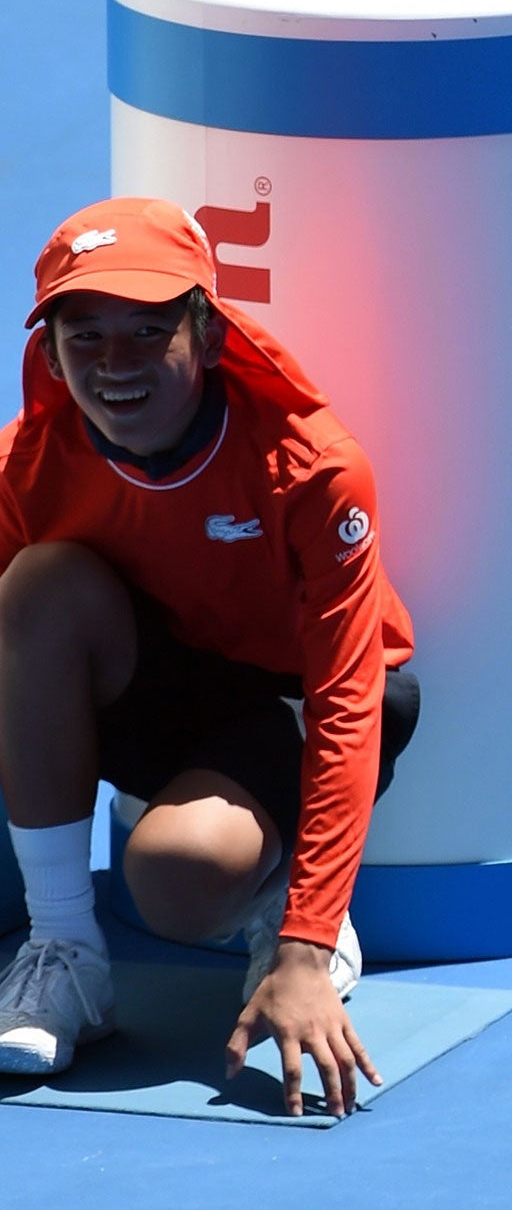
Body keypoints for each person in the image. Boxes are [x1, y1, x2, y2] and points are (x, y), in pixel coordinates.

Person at [0, 197, 418, 1117]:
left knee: (177, 883)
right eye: (88, 337)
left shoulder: (312, 468)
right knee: (36, 587)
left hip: (293, 711)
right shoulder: (30, 462)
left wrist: (306, 944)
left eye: (150, 334)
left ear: (212, 337)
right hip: (161, 695)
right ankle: (65, 947)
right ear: (50, 351)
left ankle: (287, 906)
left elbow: (351, 700)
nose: (116, 367)